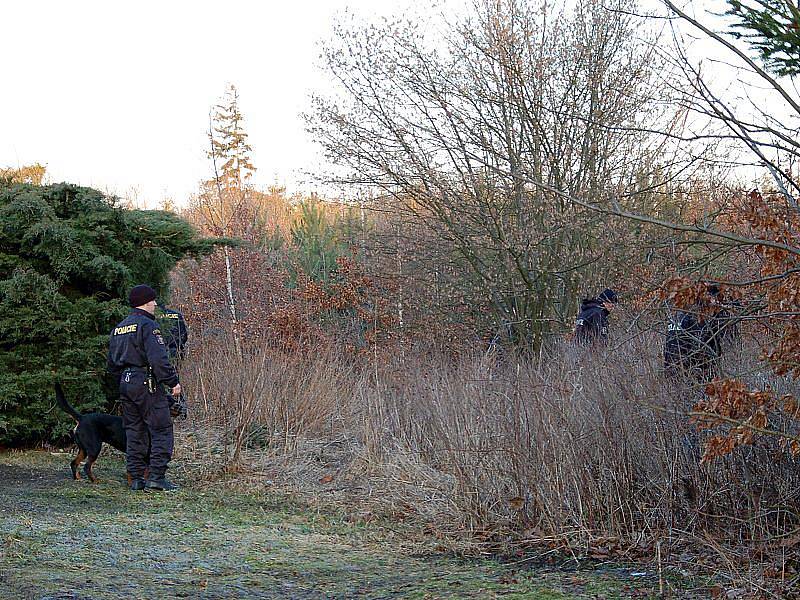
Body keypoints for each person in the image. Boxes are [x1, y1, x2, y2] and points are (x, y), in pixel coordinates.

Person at [108, 284, 181, 491]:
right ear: (146, 302)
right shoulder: (148, 326)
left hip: (126, 382)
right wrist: (172, 382)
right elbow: (158, 358)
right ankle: (156, 477)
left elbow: (112, 364)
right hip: (146, 382)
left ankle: (137, 477)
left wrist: (125, 382)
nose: (156, 304)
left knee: (134, 431)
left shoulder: (119, 328)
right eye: (153, 301)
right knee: (161, 430)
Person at [663, 284, 729, 381]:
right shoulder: (699, 317)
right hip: (691, 372)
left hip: (671, 368)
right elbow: (703, 346)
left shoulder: (676, 314)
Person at [157, 303, 189, 420]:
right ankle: (181, 410)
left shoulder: (152, 318)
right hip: (176, 352)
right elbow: (184, 336)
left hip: (161, 354)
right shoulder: (176, 315)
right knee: (175, 380)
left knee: (161, 382)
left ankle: (171, 411)